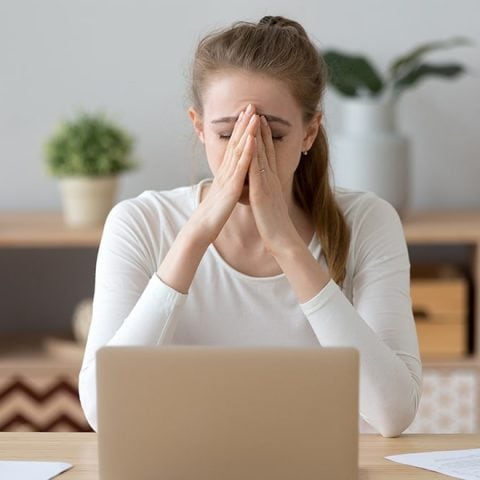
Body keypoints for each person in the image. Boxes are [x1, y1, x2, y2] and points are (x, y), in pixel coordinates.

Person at [79, 15, 422, 437]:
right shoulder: (141, 223)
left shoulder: (369, 222)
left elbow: (392, 414)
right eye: (228, 135)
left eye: (273, 136)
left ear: (310, 131)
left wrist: (287, 244)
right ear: (199, 128)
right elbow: (102, 410)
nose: (249, 154)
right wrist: (195, 235)